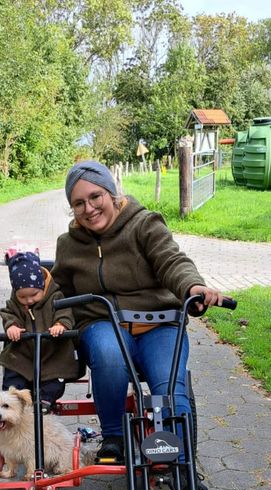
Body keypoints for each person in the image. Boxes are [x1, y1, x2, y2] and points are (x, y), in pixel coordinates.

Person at [52, 160, 222, 464]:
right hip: (103, 323)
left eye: (95, 197)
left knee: (169, 387)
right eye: (78, 203)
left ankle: (183, 466)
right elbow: (59, 290)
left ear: (111, 192)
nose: (89, 208)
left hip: (160, 325)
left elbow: (172, 261)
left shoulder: (144, 224)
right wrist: (31, 302)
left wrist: (192, 288)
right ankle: (114, 437)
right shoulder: (68, 244)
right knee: (108, 354)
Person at [0, 250, 80, 412]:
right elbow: (8, 313)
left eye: (34, 295)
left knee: (54, 382)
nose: (28, 300)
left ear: (42, 285)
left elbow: (66, 313)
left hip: (53, 353)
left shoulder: (56, 297)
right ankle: (14, 405)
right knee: (13, 379)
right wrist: (12, 326)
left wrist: (60, 325)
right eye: (22, 297)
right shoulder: (15, 303)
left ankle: (44, 402)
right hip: (23, 354)